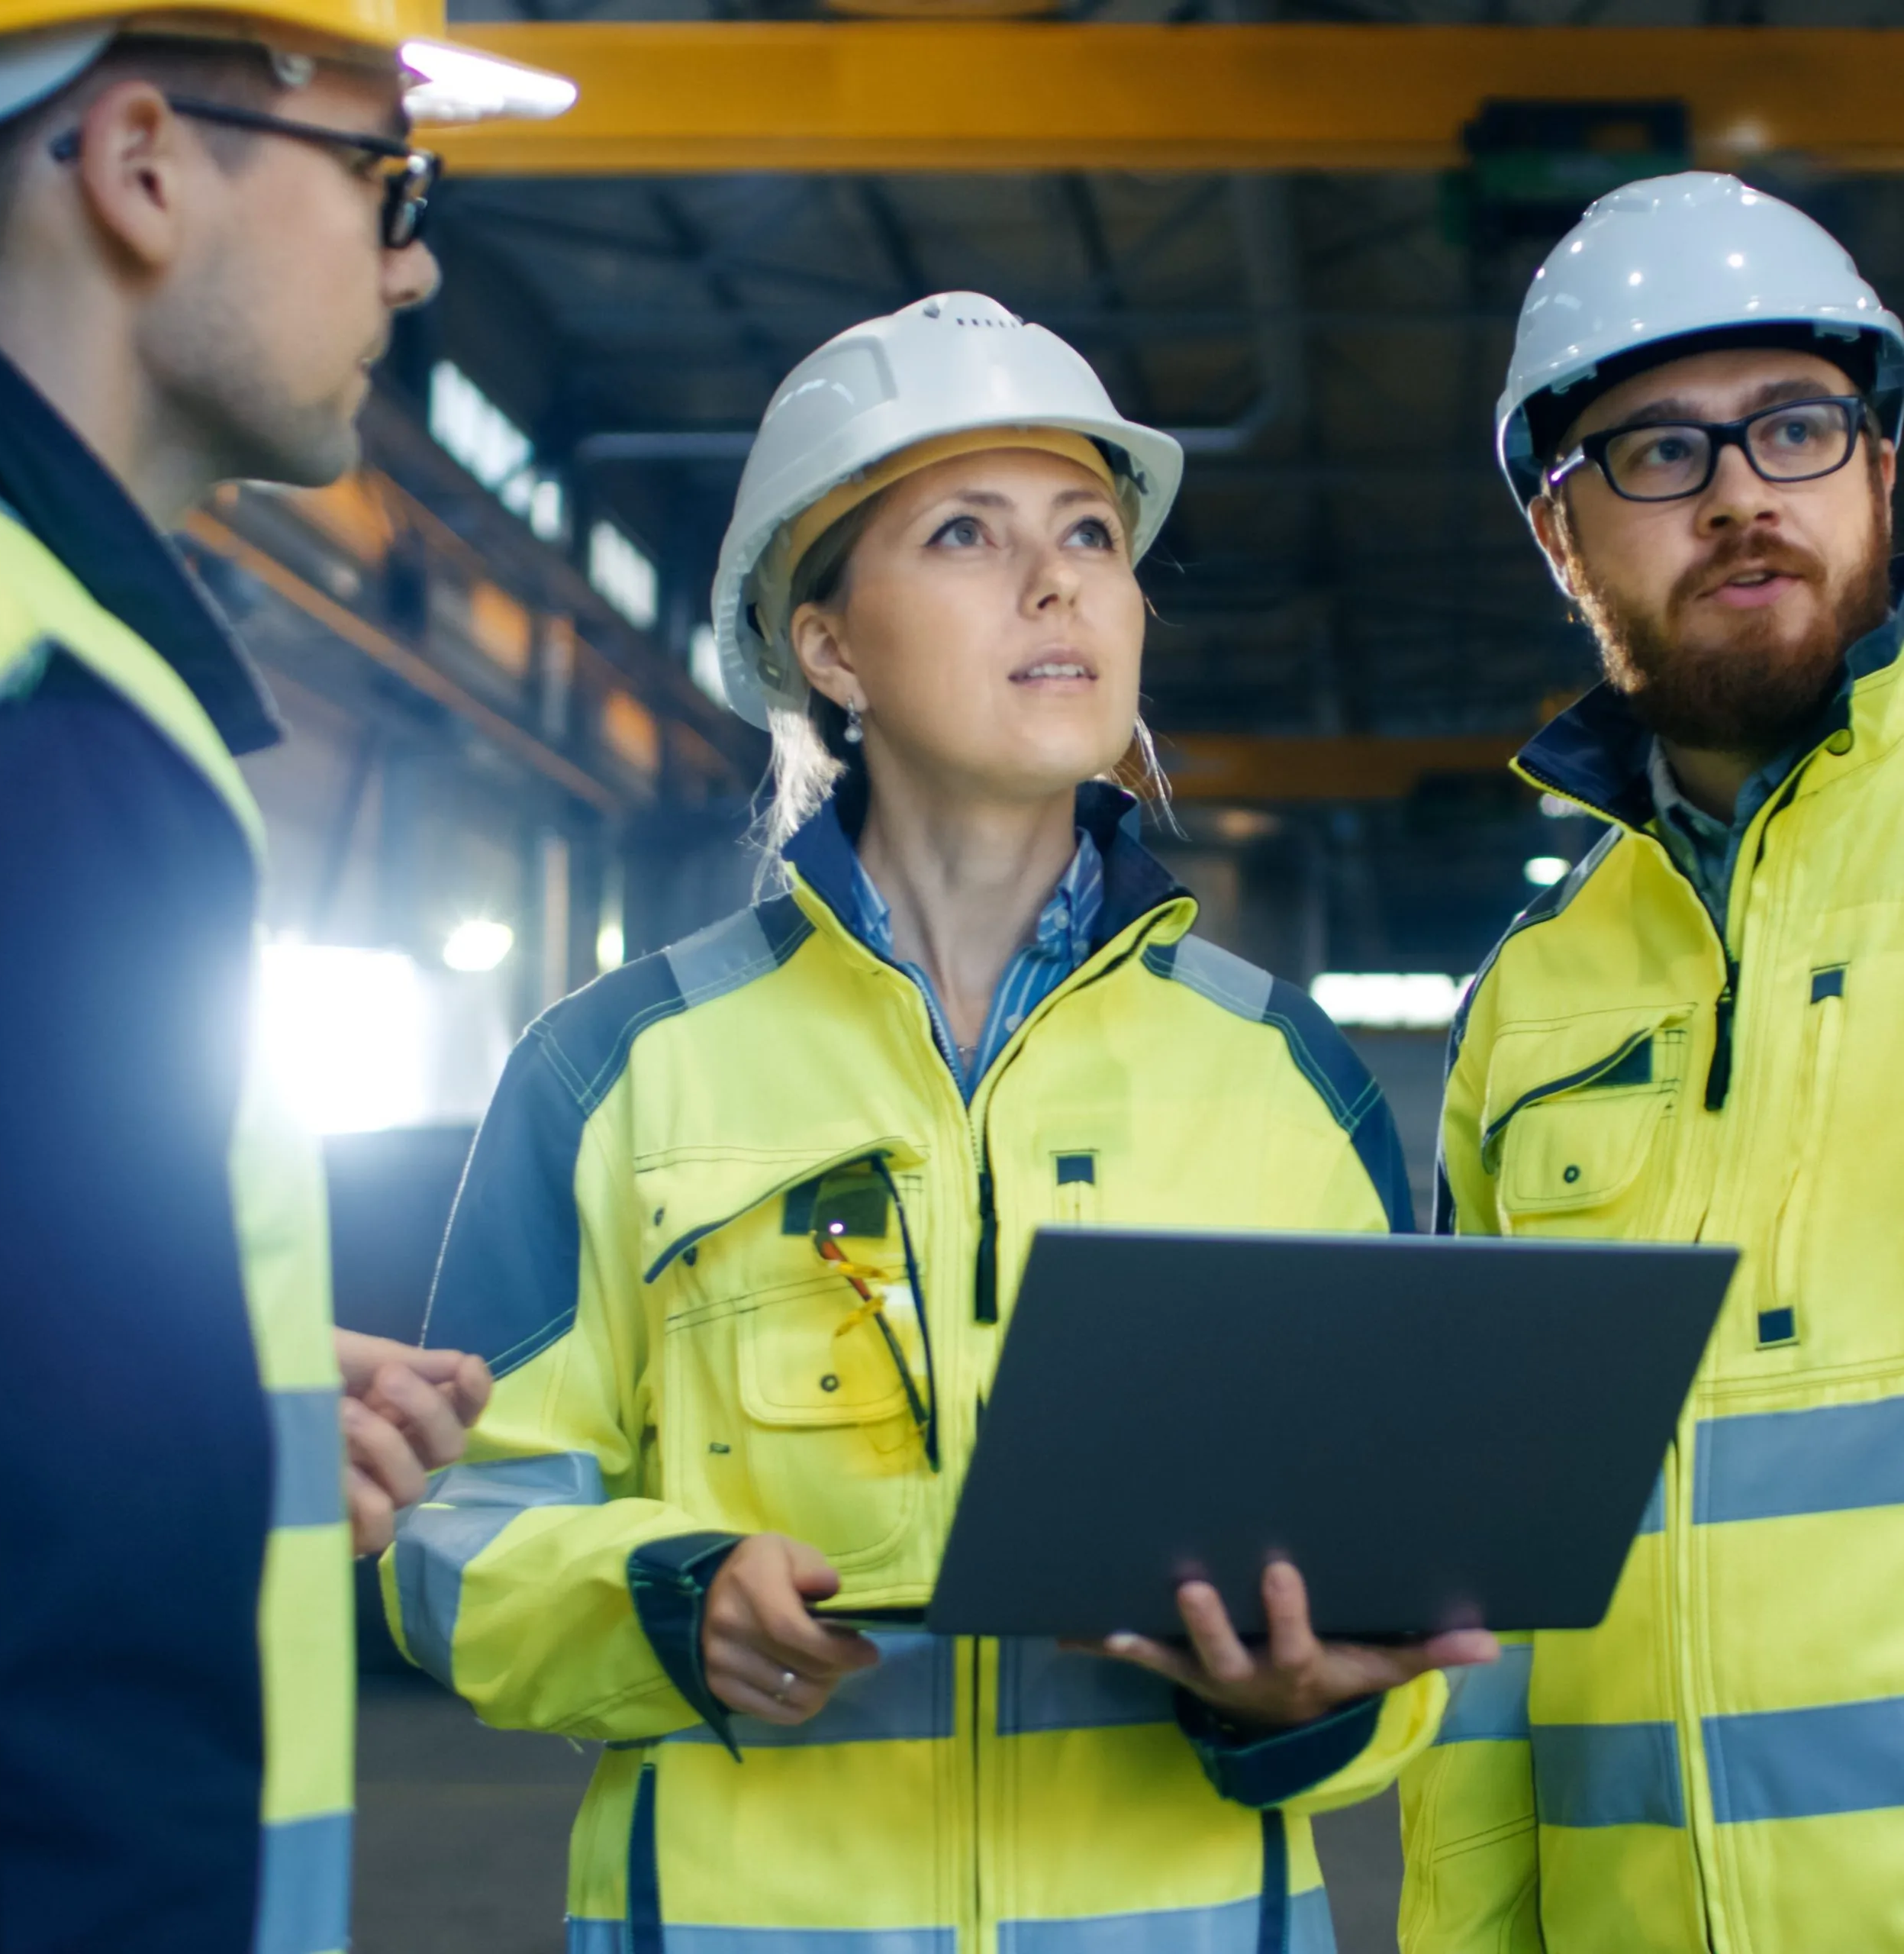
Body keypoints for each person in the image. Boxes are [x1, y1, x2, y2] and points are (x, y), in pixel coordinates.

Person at [387, 291, 1496, 1954]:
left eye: (1091, 534)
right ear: (828, 646)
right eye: (966, 533)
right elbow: (453, 1533)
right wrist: (668, 1597)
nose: (1054, 582)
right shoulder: (615, 1068)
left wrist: (1304, 1693)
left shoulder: (1282, 1076)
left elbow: (1397, 1591)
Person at [0, 8, 572, 1950]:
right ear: (141, 166)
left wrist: (192, 1407)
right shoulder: (29, 712)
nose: (413, 259)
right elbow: (57, 1663)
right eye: (385, 180)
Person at [1400, 173, 1904, 1954]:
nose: (1743, 495)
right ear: (1560, 536)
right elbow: (1477, 1603)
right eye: (1657, 454)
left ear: (1880, 473)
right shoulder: (1531, 1007)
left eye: (1794, 426)